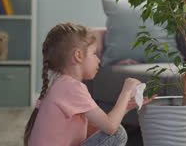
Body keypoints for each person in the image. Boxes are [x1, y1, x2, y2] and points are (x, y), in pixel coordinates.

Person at [24, 22, 156, 146]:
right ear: (78, 55)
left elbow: (100, 125)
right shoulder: (72, 87)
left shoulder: (61, 85)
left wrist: (126, 106)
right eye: (94, 53)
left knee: (97, 127)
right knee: (117, 134)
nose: (98, 60)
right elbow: (110, 127)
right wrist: (126, 91)